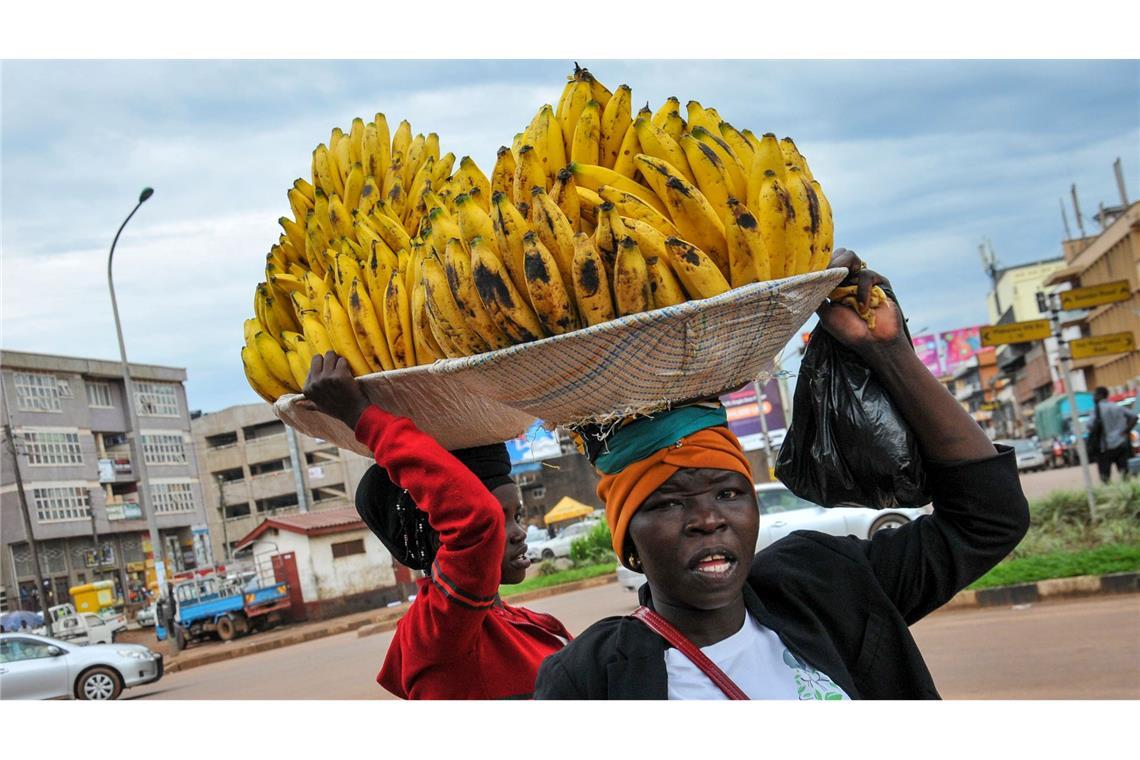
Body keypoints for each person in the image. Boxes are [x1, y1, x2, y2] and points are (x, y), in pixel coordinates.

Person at [535, 250, 1030, 699]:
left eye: (729, 492)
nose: (708, 519)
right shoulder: (592, 680)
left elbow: (988, 519)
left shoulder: (824, 586)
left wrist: (887, 350)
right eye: (669, 503)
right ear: (627, 540)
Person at [302, 354, 571, 699]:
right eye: (499, 515)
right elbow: (478, 523)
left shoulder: (536, 626)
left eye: (515, 516)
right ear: (441, 529)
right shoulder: (436, 633)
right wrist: (359, 415)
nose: (519, 532)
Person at [1088, 387, 1137, 484]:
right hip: (1121, 443)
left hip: (1104, 447)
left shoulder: (1097, 409)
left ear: (1100, 395)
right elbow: (1134, 417)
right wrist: (1125, 431)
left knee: (1105, 477)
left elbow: (1089, 425)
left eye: (1095, 395)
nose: (1093, 398)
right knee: (1125, 474)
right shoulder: (1116, 407)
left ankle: (1111, 493)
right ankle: (1126, 493)